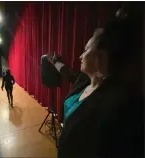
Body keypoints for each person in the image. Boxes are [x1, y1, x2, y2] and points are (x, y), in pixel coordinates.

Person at [48, 6, 143, 158]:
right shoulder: (84, 80)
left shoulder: (117, 103)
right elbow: (70, 74)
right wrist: (56, 63)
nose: (80, 55)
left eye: (86, 49)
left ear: (101, 55)